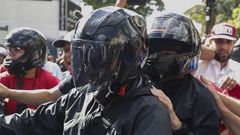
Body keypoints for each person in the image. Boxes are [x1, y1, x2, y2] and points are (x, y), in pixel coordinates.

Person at [0, 6, 172, 134]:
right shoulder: (80, 95)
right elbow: (29, 122)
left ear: (129, 56)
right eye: (84, 55)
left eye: (99, 57)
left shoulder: (149, 113)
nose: (88, 66)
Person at [143, 12, 220, 134]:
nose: (162, 55)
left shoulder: (201, 97)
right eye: (157, 47)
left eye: (171, 49)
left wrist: (177, 125)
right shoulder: (136, 83)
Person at [0, 30, 75, 106]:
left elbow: (50, 97)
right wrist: (7, 92)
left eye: (17, 50)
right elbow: (50, 95)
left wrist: (8, 93)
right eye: (10, 50)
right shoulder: (3, 78)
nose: (10, 55)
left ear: (34, 53)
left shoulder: (51, 81)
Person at [194, 22, 240, 91]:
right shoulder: (196, 64)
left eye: (228, 42)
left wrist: (236, 89)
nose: (224, 47)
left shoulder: (238, 69)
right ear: (210, 42)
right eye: (219, 41)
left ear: (234, 44)